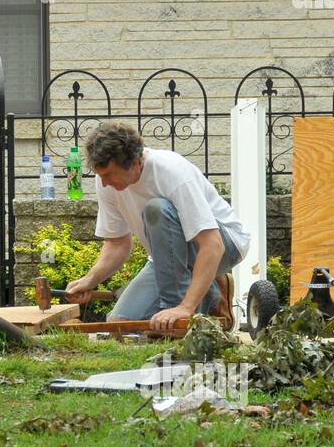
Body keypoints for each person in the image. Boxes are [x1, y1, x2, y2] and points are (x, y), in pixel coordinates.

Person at [64, 121, 249, 330]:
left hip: (225, 245)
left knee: (157, 209)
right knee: (121, 323)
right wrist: (90, 279)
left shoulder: (171, 172)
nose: (104, 182)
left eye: (108, 175)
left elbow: (212, 246)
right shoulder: (106, 183)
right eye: (100, 175)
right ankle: (212, 295)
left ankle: (180, 307)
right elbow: (118, 244)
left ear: (135, 162)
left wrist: (184, 307)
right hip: (166, 260)